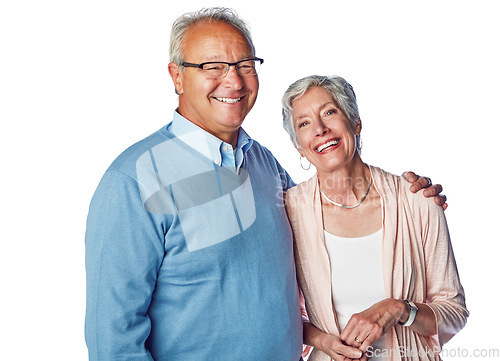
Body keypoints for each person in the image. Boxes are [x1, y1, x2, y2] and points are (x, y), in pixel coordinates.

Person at [85, 7, 446, 360]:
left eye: (245, 65)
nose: (234, 81)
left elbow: (325, 218)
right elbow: (113, 339)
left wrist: (410, 194)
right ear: (176, 76)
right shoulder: (133, 179)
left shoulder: (263, 164)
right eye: (213, 66)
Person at [282, 75, 468, 361]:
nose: (319, 129)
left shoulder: (417, 201)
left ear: (355, 122)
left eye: (329, 112)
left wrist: (399, 309)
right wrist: (324, 342)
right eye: (304, 123)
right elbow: (284, 315)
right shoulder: (289, 211)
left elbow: (454, 314)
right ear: (299, 147)